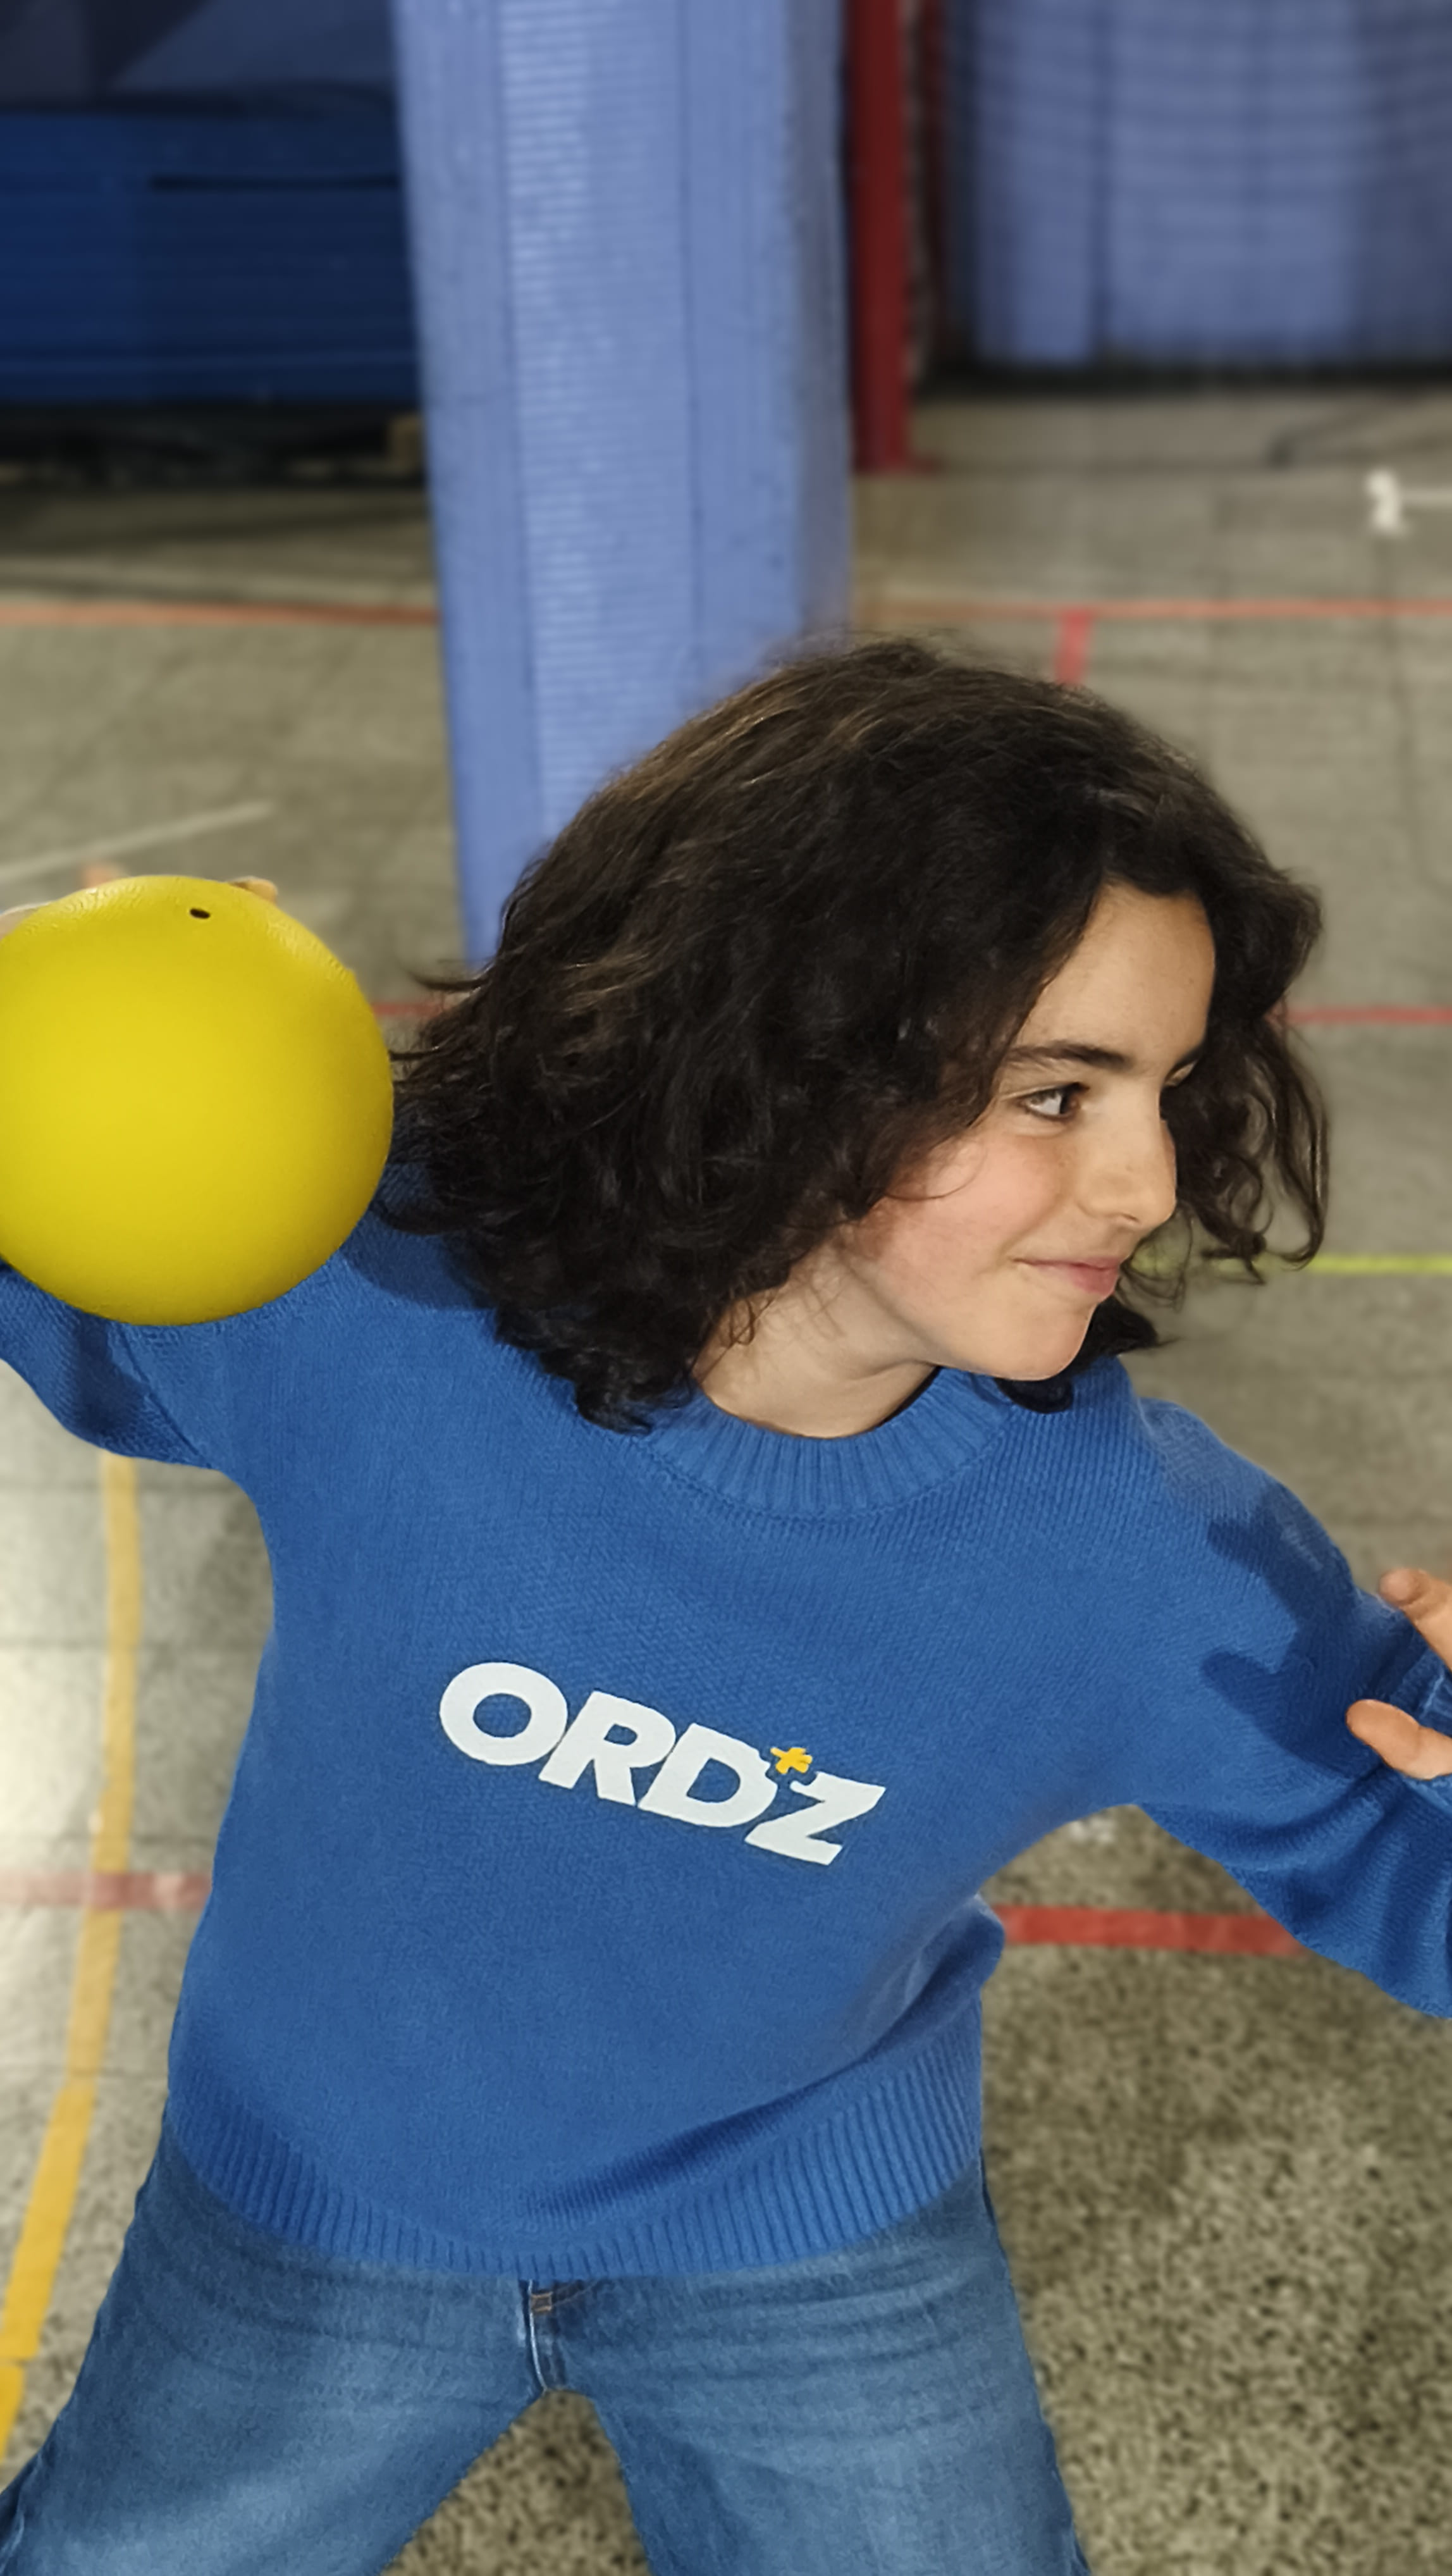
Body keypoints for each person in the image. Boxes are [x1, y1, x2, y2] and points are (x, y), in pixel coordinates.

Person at [0, 640, 1449, 2576]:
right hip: (317, 2193)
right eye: (1056, 1092)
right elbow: (69, 1264)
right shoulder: (374, 1297)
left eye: (1167, 1088)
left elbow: (1407, 1866)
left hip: (804, 2238)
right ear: (793, 1051)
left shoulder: (1146, 1555)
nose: (1143, 1177)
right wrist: (82, 1039)